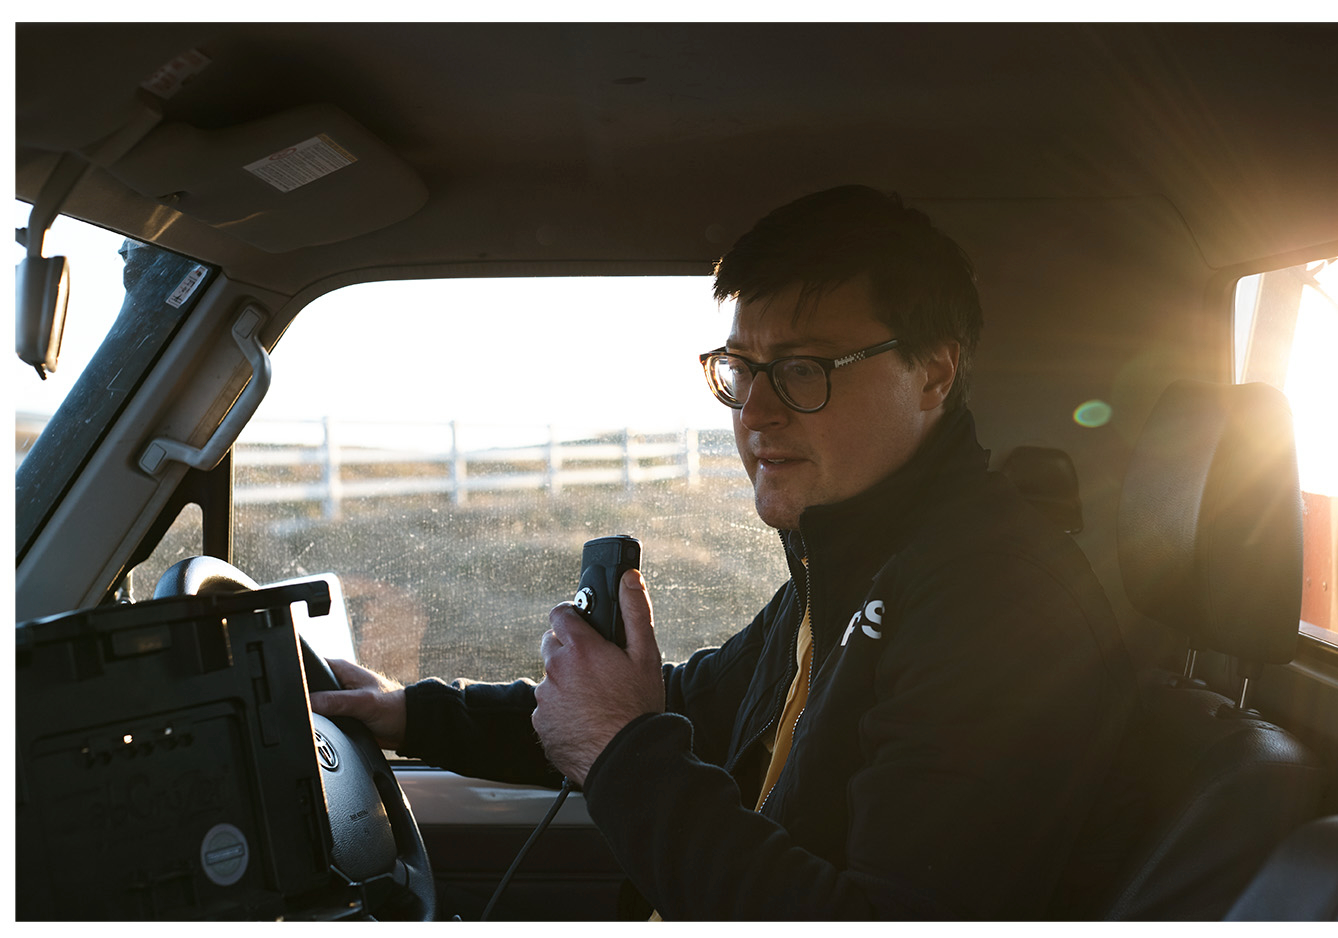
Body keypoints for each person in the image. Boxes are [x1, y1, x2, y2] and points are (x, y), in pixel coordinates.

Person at [311, 185, 1136, 920]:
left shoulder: (996, 608)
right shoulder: (851, 565)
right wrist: (411, 711)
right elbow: (692, 707)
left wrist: (618, 752)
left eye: (803, 369)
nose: (757, 412)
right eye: (741, 369)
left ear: (933, 375)